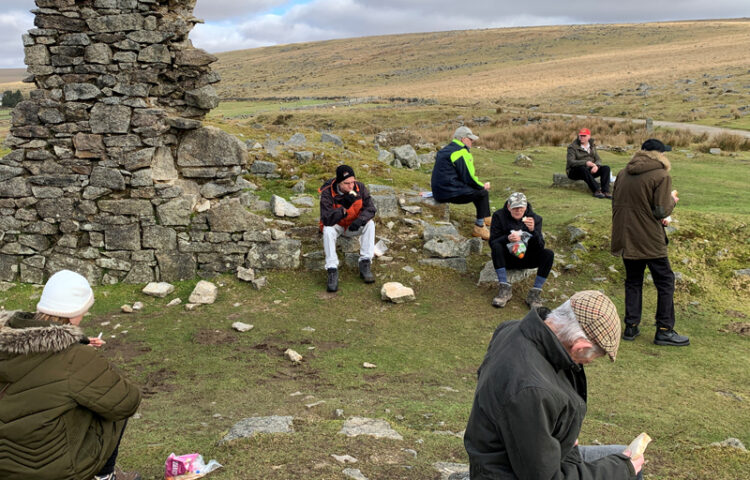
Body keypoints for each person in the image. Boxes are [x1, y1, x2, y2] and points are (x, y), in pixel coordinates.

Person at [464, 290, 644, 480]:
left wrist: (563, 436)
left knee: (623, 458)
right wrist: (622, 470)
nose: (589, 362)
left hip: (529, 455)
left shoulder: (513, 330)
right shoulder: (532, 390)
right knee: (629, 468)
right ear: (579, 347)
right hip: (506, 473)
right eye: (594, 357)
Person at [0, 269, 142, 480]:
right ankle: (104, 477)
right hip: (52, 469)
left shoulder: (7, 342)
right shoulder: (74, 357)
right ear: (78, 311)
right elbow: (127, 401)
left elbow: (42, 367)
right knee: (112, 401)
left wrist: (79, 346)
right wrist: (88, 360)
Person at [611, 138, 689, 346]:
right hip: (649, 239)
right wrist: (672, 200)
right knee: (665, 281)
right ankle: (664, 329)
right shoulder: (662, 175)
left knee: (633, 281)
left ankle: (631, 326)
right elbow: (661, 210)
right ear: (659, 154)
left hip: (626, 236)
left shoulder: (623, 173)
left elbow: (617, 202)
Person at [489, 192, 554, 309]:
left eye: (521, 208)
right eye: (515, 208)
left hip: (527, 258)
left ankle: (534, 295)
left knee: (548, 254)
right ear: (509, 207)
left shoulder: (535, 219)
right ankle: (504, 290)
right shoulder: (499, 216)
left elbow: (540, 247)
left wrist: (533, 230)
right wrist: (507, 238)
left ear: (525, 207)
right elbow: (492, 242)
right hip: (507, 259)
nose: (518, 210)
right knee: (496, 247)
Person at [319, 164, 377, 292]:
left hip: (354, 224)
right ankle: (332, 269)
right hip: (337, 225)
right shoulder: (327, 192)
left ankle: (365, 263)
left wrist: (360, 220)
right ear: (339, 182)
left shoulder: (360, 188)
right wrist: (343, 208)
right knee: (327, 230)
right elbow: (327, 219)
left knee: (370, 224)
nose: (351, 186)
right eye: (347, 183)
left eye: (352, 182)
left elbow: (371, 208)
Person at [431, 126, 492, 240]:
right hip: (448, 192)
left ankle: (486, 217)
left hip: (439, 190)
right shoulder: (460, 152)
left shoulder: (447, 149)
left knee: (476, 190)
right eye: (471, 139)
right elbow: (468, 177)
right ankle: (479, 227)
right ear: (463, 139)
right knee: (482, 192)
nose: (472, 142)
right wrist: (482, 186)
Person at [567, 128, 612, 198]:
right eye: (580, 136)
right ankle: (596, 190)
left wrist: (596, 166)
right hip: (574, 172)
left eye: (584, 136)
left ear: (589, 136)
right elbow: (571, 162)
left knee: (606, 168)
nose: (582, 137)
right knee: (582, 168)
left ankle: (606, 191)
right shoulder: (572, 147)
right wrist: (585, 163)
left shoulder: (592, 146)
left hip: (589, 170)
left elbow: (598, 159)